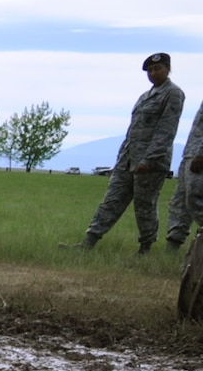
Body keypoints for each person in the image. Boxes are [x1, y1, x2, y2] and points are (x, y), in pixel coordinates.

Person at [67, 54, 186, 255]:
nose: (153, 73)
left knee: (144, 205)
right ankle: (89, 242)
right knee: (111, 201)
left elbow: (166, 131)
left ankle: (145, 248)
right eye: (150, 70)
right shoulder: (144, 96)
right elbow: (132, 132)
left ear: (168, 69)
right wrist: (119, 161)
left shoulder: (173, 94)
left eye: (158, 69)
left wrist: (148, 160)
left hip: (151, 163)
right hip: (128, 160)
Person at [165, 97, 203, 249]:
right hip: (190, 153)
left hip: (198, 156)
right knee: (180, 203)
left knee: (195, 199)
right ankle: (172, 248)